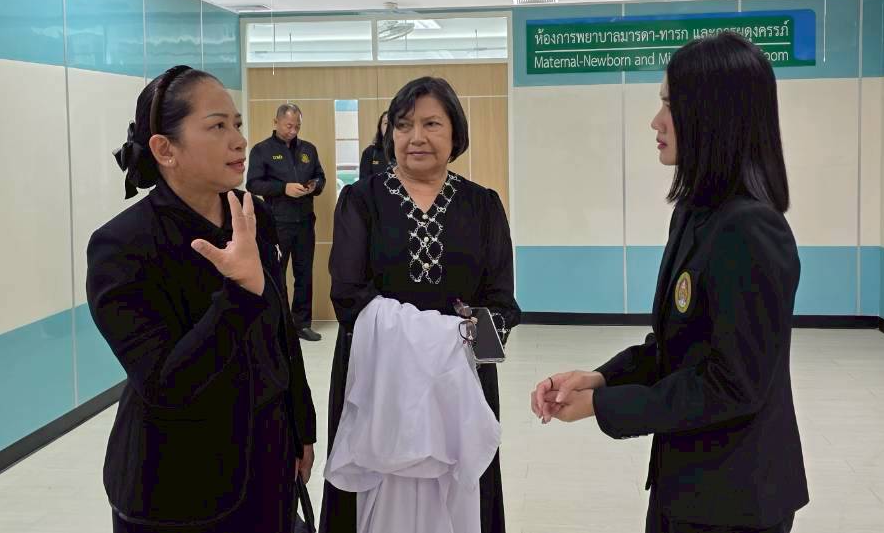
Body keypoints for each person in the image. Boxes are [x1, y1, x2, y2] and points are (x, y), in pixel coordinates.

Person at [530, 33, 809, 533]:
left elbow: (732, 384)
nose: (656, 121)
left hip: (736, 498)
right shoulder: (696, 214)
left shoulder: (749, 229)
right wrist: (600, 379)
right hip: (687, 480)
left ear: (713, 116)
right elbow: (677, 347)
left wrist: (604, 407)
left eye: (670, 106)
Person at [86, 65, 317, 533]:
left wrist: (301, 426)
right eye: (217, 126)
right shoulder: (123, 246)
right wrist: (239, 293)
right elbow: (165, 385)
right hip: (177, 485)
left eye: (237, 124)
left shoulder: (252, 215)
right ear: (164, 149)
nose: (239, 141)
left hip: (268, 462)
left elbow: (280, 338)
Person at [319, 77, 520, 533]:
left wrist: (467, 342)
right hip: (376, 380)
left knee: (465, 498)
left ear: (455, 132)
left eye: (432, 124)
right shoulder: (361, 200)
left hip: (459, 384)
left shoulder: (483, 206)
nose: (416, 137)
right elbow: (348, 296)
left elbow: (502, 304)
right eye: (403, 124)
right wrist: (434, 335)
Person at [247, 103, 326, 342]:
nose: (293, 131)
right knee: (276, 275)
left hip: (305, 223)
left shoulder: (308, 149)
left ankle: (302, 324)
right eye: (288, 126)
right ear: (276, 122)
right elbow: (253, 184)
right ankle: (278, 325)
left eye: (297, 126)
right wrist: (283, 188)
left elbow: (320, 177)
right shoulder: (262, 150)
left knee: (304, 275)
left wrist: (314, 186)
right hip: (277, 224)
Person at [358, 111, 389, 180]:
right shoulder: (370, 152)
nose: (389, 127)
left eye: (392, 123)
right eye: (386, 123)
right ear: (380, 127)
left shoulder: (407, 152)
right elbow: (363, 182)